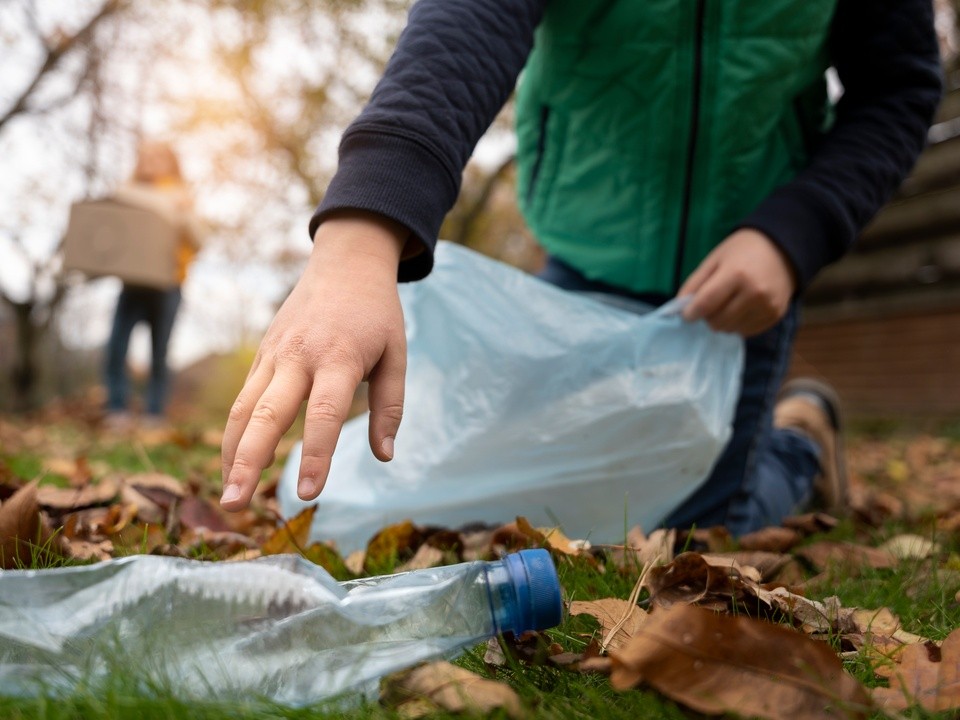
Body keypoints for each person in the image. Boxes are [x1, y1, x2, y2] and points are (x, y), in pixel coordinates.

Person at [219, 0, 942, 535]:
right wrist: (362, 231)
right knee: (559, 500)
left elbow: (898, 90)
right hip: (586, 251)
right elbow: (472, 20)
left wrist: (795, 233)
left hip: (745, 275)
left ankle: (798, 443)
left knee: (695, 535)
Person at [103, 141, 200, 429]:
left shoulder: (185, 198)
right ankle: (117, 410)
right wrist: (166, 202)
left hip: (168, 285)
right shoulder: (128, 191)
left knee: (159, 353)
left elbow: (199, 240)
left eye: (157, 157)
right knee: (116, 348)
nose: (150, 161)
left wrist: (182, 213)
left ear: (171, 162)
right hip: (132, 284)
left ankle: (154, 414)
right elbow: (116, 200)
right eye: (145, 156)